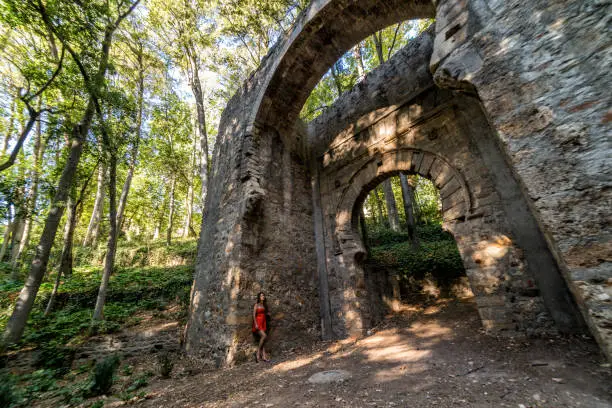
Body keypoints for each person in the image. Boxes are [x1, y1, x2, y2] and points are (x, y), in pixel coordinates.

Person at [252, 291, 270, 362]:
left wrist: (267, 314)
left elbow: (264, 313)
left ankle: (264, 356)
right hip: (258, 323)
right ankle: (258, 352)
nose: (263, 297)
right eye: (261, 296)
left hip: (263, 323)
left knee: (263, 340)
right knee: (264, 336)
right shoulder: (256, 305)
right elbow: (253, 315)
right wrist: (255, 323)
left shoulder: (264, 305)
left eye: (263, 296)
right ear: (259, 297)